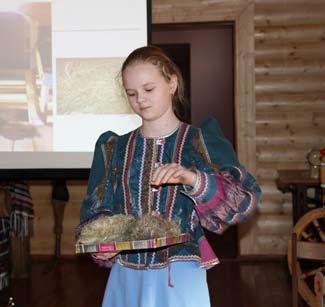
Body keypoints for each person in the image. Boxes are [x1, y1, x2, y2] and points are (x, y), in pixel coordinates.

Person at [77, 45, 261, 307]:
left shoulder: (198, 141)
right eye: (132, 93)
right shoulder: (114, 148)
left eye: (149, 89)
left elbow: (243, 201)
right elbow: (96, 211)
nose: (140, 99)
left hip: (181, 274)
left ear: (172, 83)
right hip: (126, 274)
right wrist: (106, 240)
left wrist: (193, 180)